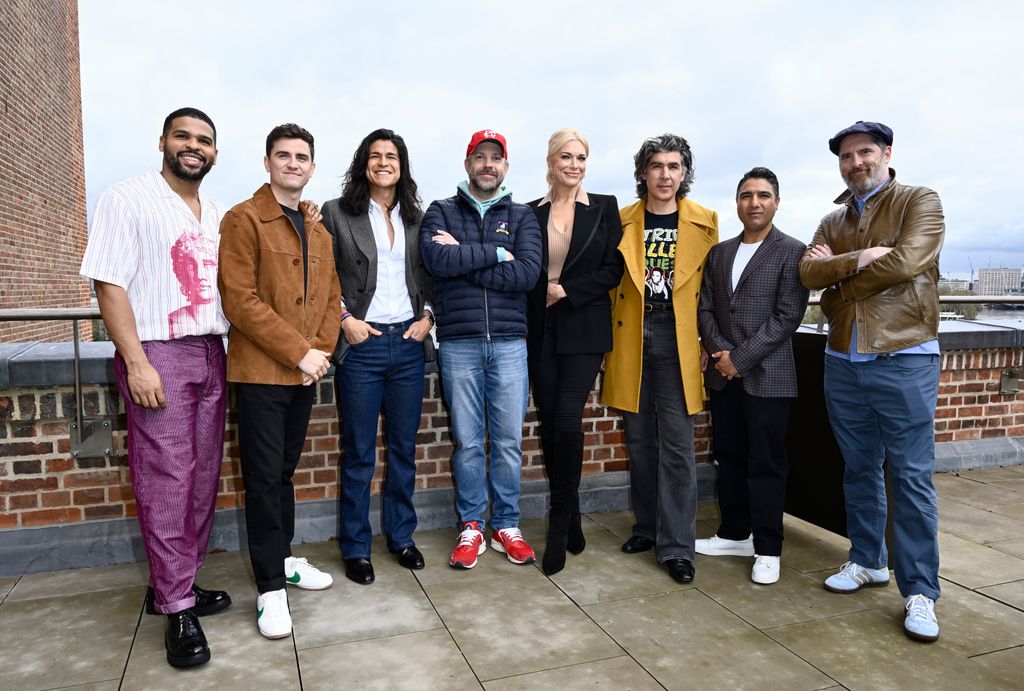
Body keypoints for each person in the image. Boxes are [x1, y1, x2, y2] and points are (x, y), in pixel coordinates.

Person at [80, 107, 232, 668]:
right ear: (163, 142)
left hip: (211, 351)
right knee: (167, 480)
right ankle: (177, 608)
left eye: (205, 141)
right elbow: (109, 283)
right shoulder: (126, 198)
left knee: (201, 479)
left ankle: (178, 586)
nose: (194, 147)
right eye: (184, 137)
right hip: (159, 352)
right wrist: (136, 361)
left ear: (215, 153)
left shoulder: (215, 210)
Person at [800, 121, 945, 642]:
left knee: (908, 477)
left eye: (865, 152)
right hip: (843, 358)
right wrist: (858, 259)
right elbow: (808, 276)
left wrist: (838, 276)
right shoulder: (830, 219)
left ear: (886, 153)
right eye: (846, 155)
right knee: (859, 468)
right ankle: (867, 561)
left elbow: (909, 261)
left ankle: (921, 592)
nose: (856, 162)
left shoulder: (918, 201)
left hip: (905, 357)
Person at [218, 123, 341, 640]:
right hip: (262, 373)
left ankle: (285, 558)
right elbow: (239, 300)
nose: (293, 163)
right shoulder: (243, 219)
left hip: (302, 374)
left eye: (302, 157)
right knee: (265, 480)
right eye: (283, 155)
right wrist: (300, 353)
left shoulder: (318, 229)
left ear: (312, 167)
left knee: (284, 473)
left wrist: (323, 352)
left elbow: (332, 299)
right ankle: (270, 587)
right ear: (267, 162)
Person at [419, 129, 542, 570]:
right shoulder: (441, 211)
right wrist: (497, 254)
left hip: (510, 343)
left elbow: (527, 275)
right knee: (468, 443)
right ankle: (472, 525)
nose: (488, 165)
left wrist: (468, 258)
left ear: (505, 167)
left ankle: (506, 524)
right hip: (459, 344)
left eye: (496, 158)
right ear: (467, 163)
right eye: (480, 157)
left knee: (508, 442)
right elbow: (437, 262)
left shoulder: (524, 215)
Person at [602, 133, 719, 584]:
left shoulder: (705, 221)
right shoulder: (622, 219)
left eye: (674, 166)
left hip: (680, 338)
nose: (665, 175)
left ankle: (677, 547)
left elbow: (712, 292)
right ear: (643, 172)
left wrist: (710, 341)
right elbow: (610, 283)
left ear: (684, 173)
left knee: (677, 445)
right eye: (657, 166)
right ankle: (647, 527)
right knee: (640, 440)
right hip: (631, 335)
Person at [322, 129, 433, 585]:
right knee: (359, 453)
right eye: (375, 155)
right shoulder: (337, 213)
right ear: (363, 163)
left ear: (402, 165)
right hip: (362, 346)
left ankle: (402, 537)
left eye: (392, 156)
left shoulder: (416, 217)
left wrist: (428, 316)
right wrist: (344, 317)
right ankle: (356, 547)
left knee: (403, 450)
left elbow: (429, 275)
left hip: (408, 345)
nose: (383, 162)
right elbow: (322, 277)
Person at [695, 167, 809, 585]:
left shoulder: (792, 251)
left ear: (777, 202)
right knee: (730, 457)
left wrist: (738, 359)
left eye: (763, 195)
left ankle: (767, 548)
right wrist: (719, 351)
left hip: (769, 377)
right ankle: (734, 533)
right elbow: (705, 307)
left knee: (766, 462)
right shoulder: (720, 253)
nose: (754, 202)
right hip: (725, 376)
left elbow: (787, 317)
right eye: (746, 195)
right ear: (737, 202)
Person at [526, 128, 623, 575]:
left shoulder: (604, 208)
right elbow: (520, 266)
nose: (574, 164)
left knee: (566, 419)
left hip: (583, 328)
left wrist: (565, 290)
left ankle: (559, 522)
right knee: (550, 425)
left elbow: (612, 269)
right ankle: (575, 512)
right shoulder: (529, 212)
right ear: (550, 161)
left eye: (581, 157)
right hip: (541, 331)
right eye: (566, 156)